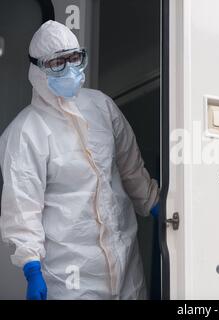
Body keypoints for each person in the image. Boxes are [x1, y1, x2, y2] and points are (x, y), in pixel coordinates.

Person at [0, 20, 160, 300]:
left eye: (74, 58)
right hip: (69, 275)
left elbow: (130, 169)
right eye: (57, 63)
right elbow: (23, 208)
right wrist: (31, 267)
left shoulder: (101, 107)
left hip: (125, 266)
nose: (69, 68)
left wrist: (156, 205)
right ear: (37, 70)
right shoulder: (26, 132)